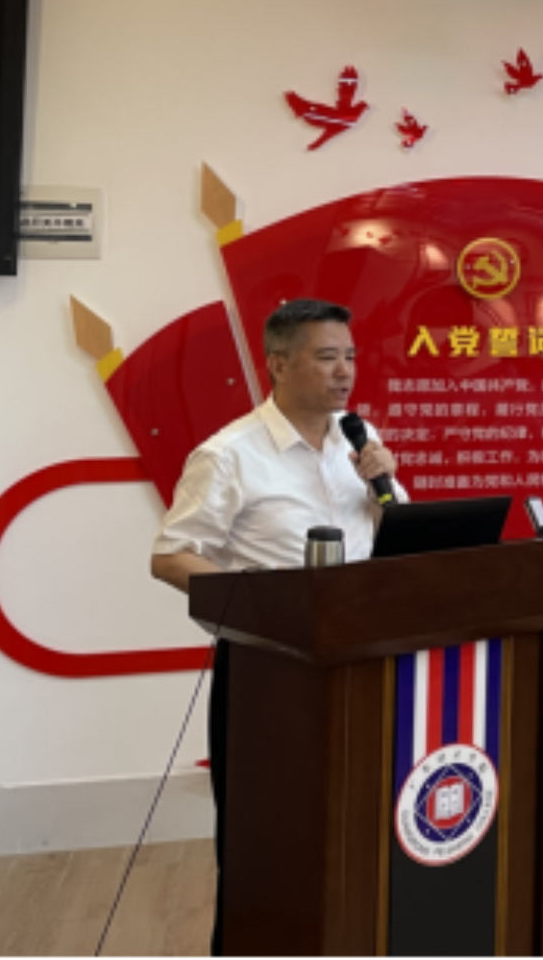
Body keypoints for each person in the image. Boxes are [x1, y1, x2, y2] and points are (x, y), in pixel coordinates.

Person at [150, 299, 403, 957]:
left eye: (350, 357)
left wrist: (384, 487)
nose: (345, 372)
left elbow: (396, 539)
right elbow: (171, 555)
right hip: (270, 671)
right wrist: (261, 607)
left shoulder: (359, 441)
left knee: (362, 828)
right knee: (269, 839)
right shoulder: (229, 455)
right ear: (280, 365)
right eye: (327, 357)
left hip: (364, 659)